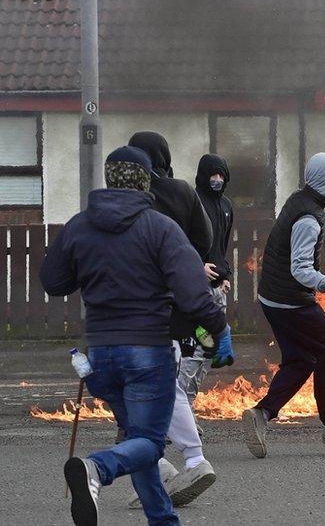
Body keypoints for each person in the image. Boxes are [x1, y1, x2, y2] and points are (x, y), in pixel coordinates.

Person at [41, 146, 227, 526]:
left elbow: (54, 280)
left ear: (109, 179)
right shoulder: (159, 227)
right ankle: (97, 468)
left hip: (101, 355)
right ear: (144, 181)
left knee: (138, 442)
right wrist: (219, 329)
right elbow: (193, 294)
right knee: (150, 444)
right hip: (148, 351)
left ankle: (163, 520)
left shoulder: (80, 225)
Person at [241, 152, 325, 457]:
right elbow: (300, 269)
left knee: (301, 359)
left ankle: (261, 415)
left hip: (273, 297)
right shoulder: (309, 221)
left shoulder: (301, 200)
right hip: (291, 301)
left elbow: (319, 220)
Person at [128, 132, 226, 508]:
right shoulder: (182, 192)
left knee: (140, 390)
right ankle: (176, 465)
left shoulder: (129, 199)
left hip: (134, 307)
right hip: (178, 301)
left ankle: (165, 469)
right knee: (167, 383)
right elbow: (206, 237)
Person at [180, 153, 236, 406]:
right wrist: (197, 267)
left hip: (217, 290)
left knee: (207, 353)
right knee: (193, 350)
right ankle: (180, 408)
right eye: (212, 174)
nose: (217, 179)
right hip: (195, 289)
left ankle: (184, 406)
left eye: (221, 175)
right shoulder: (191, 202)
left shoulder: (226, 206)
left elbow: (222, 246)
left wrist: (225, 275)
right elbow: (180, 242)